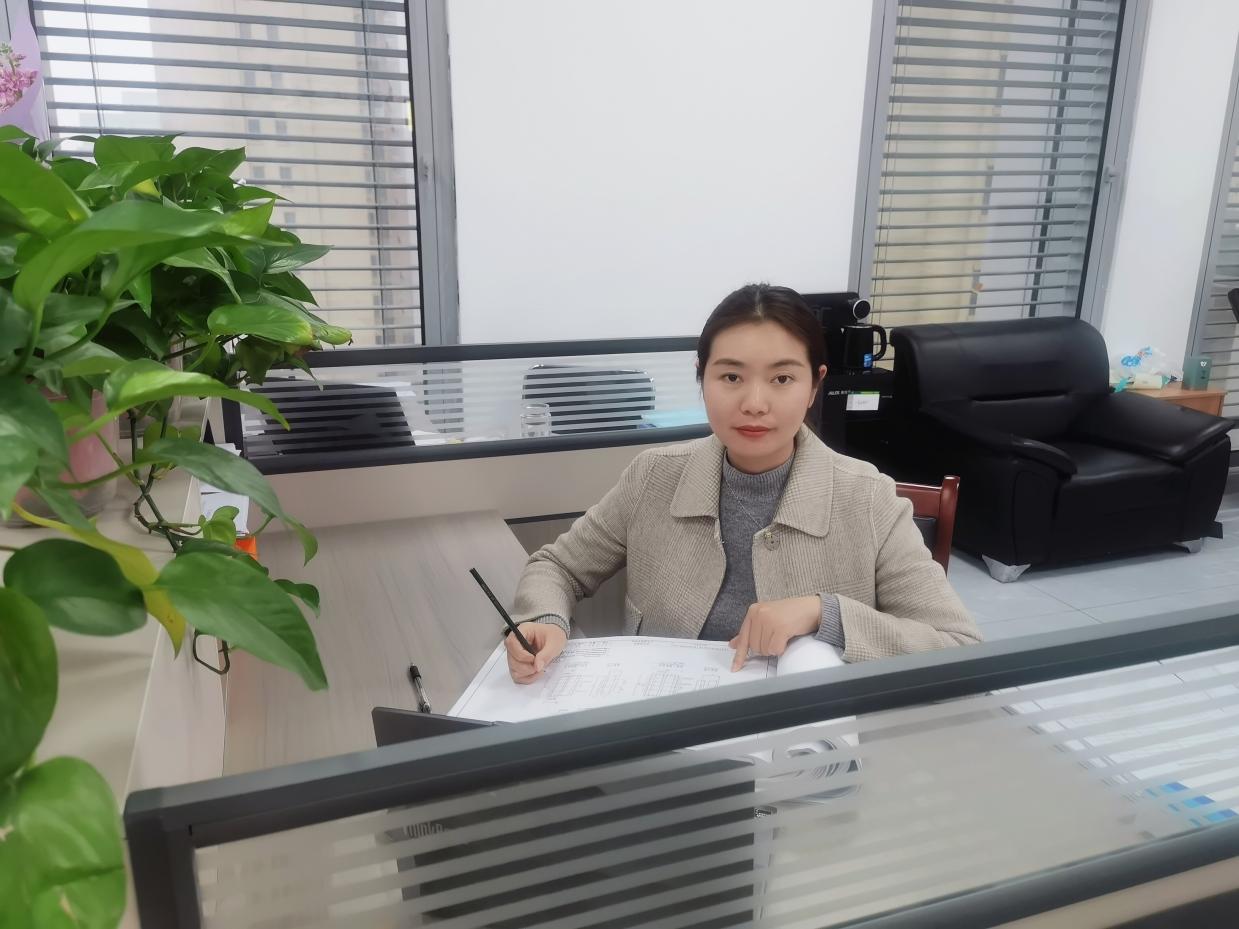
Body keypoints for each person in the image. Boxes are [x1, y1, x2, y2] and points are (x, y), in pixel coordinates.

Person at [505, 284, 981, 683]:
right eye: (731, 376)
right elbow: (557, 567)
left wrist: (824, 613)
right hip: (668, 734)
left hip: (809, 746)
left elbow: (957, 645)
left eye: (782, 378)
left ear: (815, 385)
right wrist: (545, 620)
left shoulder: (869, 499)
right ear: (701, 377)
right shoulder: (654, 476)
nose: (754, 403)